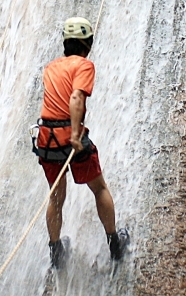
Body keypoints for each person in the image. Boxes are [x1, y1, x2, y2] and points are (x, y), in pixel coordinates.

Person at [34, 17, 127, 267]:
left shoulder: (50, 67)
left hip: (47, 140)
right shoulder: (84, 65)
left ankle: (56, 253)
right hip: (68, 137)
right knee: (99, 188)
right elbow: (76, 97)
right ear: (88, 43)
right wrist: (75, 135)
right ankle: (115, 245)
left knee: (56, 198)